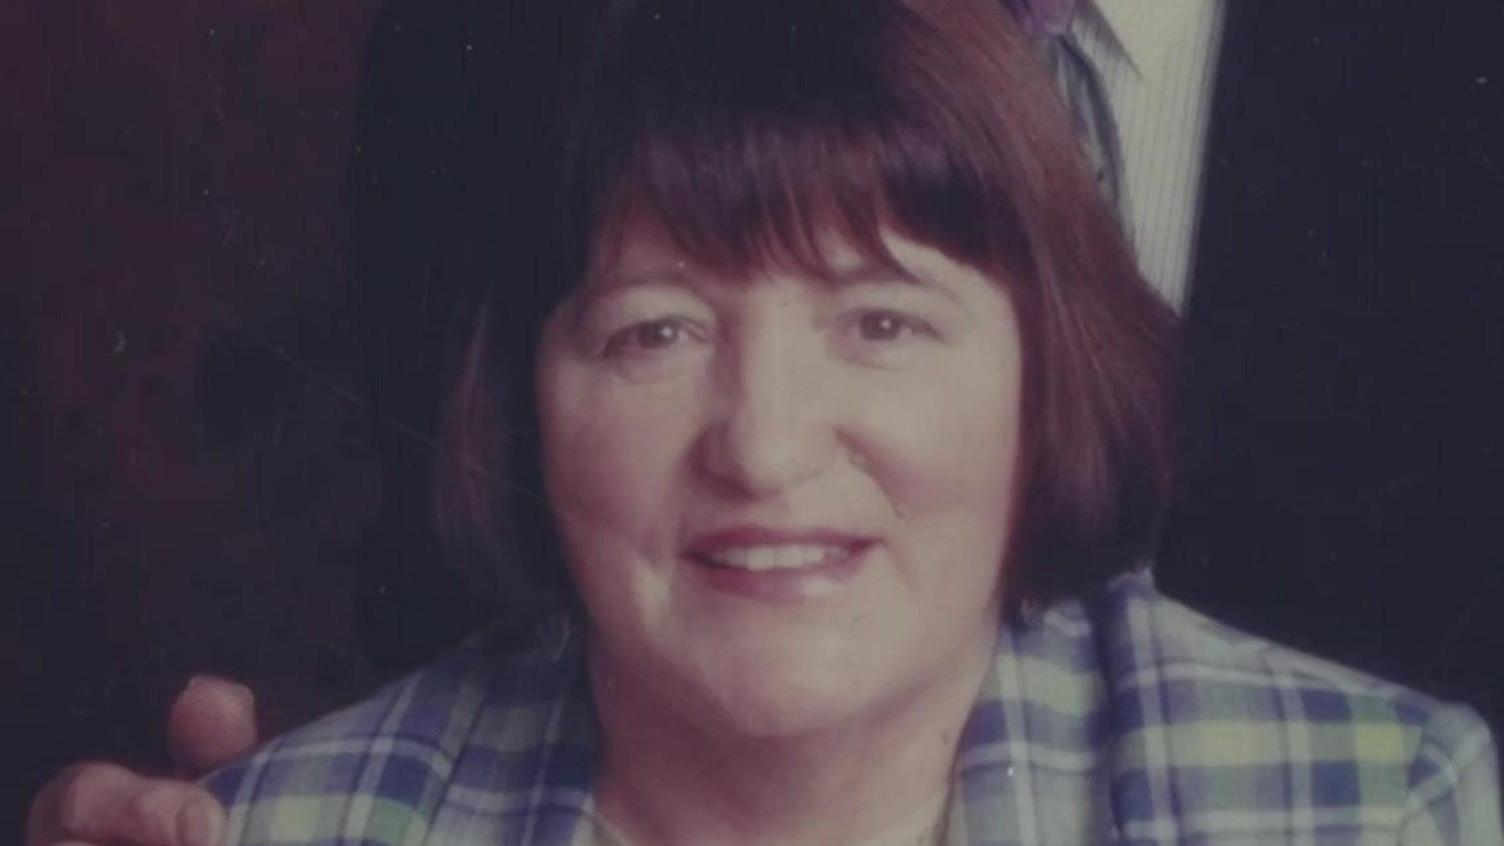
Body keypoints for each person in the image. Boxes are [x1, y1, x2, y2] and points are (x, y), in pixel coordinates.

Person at [27, 0, 1504, 844]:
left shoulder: (1377, 803)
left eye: (881, 320)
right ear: (521, 396)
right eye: (656, 331)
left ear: (1049, 375)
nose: (767, 442)